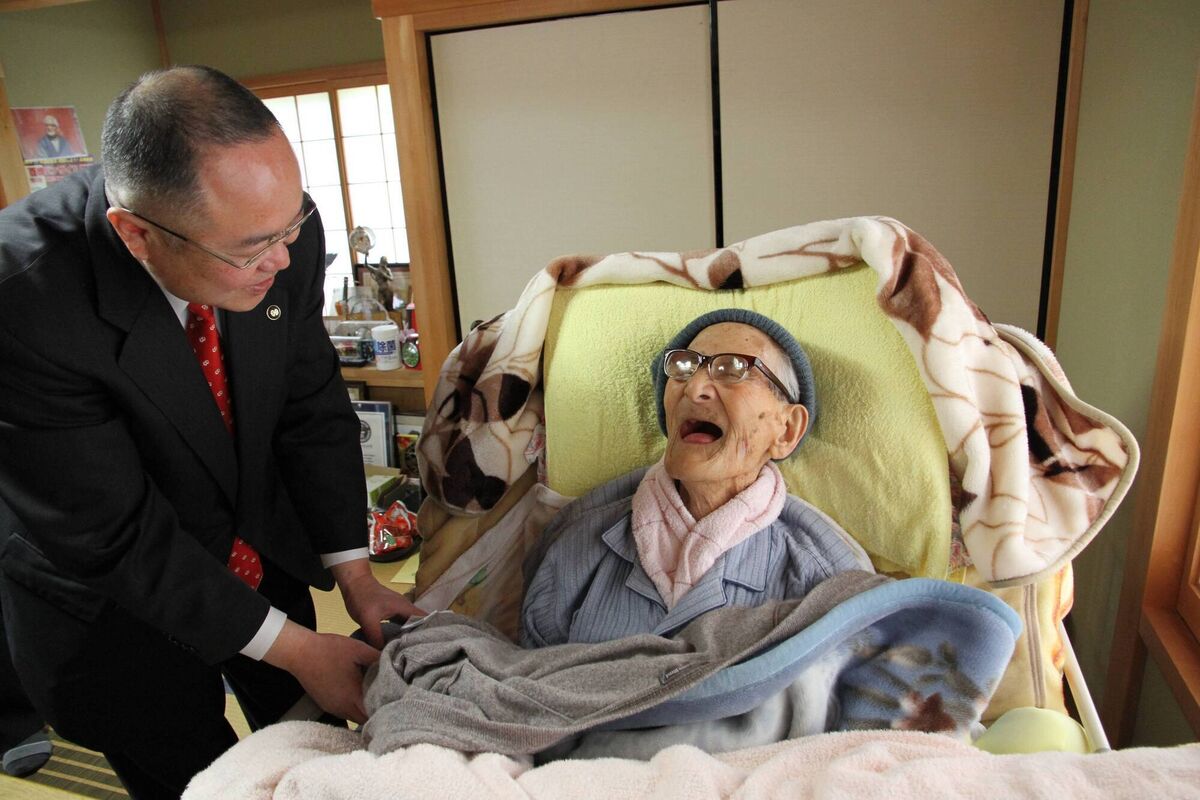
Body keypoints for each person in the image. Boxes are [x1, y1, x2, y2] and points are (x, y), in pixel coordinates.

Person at [0, 66, 422, 798]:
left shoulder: (277, 229)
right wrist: (296, 648)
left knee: (315, 744)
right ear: (135, 233)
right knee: (195, 777)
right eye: (255, 248)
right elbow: (113, 533)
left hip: (257, 548)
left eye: (292, 228)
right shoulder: (25, 297)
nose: (285, 259)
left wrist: (356, 578)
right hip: (114, 600)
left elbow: (307, 403)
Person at [521, 309, 871, 647]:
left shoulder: (824, 578)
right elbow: (526, 691)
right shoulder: (576, 546)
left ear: (787, 430)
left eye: (733, 368)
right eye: (683, 367)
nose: (694, 388)